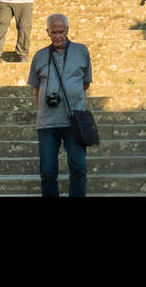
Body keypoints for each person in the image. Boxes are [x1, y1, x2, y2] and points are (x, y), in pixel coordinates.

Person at [28, 14, 92, 197]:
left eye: (61, 31)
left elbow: (85, 83)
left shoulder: (82, 51)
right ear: (47, 32)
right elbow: (36, 87)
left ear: (68, 31)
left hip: (75, 121)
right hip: (47, 123)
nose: (57, 35)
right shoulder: (39, 55)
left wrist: (73, 96)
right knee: (47, 172)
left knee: (78, 167)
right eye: (53, 32)